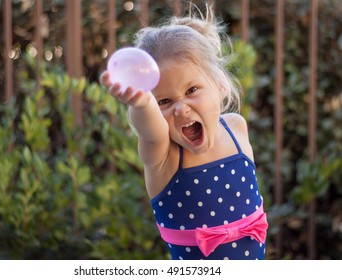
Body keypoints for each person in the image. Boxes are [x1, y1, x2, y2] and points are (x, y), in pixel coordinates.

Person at [100, 5, 268, 260]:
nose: (180, 108)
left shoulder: (236, 128)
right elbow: (151, 130)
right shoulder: (163, 157)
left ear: (220, 85)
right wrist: (142, 103)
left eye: (191, 90)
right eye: (164, 101)